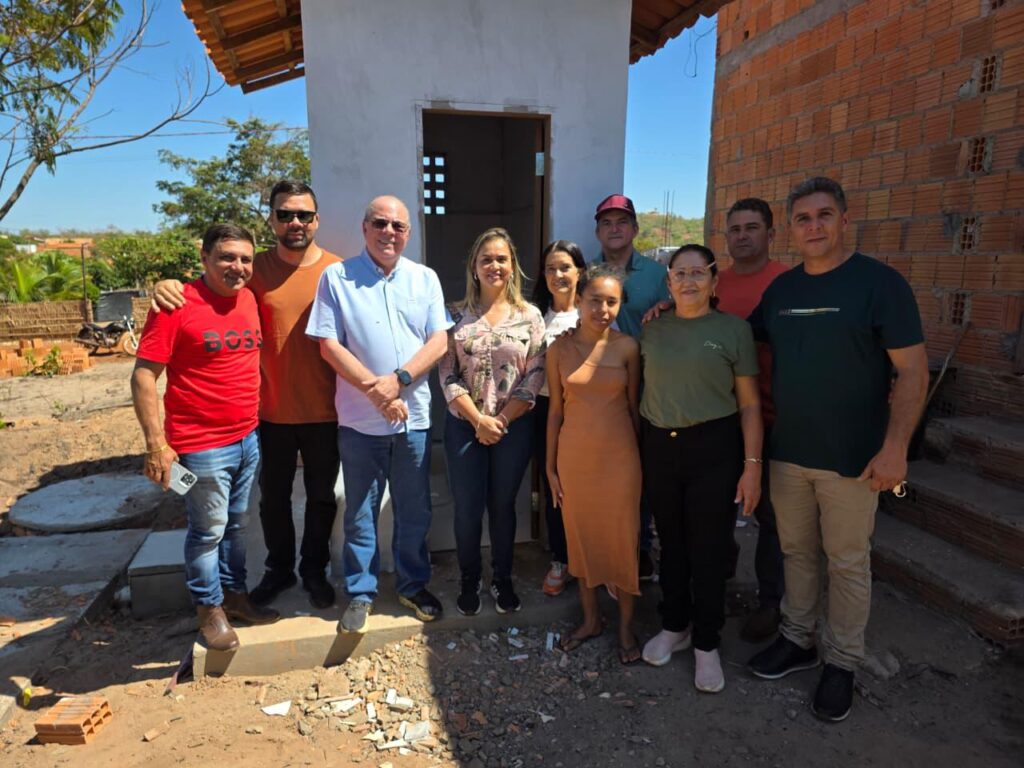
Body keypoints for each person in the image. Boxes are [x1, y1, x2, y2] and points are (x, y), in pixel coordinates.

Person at [746, 177, 928, 722]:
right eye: (803, 218)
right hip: (789, 451)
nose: (814, 226)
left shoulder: (880, 284)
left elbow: (913, 372)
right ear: (791, 229)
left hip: (853, 457)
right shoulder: (782, 291)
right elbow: (739, 338)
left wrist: (896, 448)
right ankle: (798, 639)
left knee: (847, 562)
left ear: (845, 220)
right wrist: (674, 307)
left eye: (824, 215)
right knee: (797, 553)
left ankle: (843, 661)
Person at [153, 180, 343, 611]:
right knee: (272, 501)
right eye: (285, 214)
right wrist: (166, 285)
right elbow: (207, 288)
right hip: (267, 415)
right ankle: (279, 570)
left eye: (303, 215)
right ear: (271, 219)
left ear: (317, 220)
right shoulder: (252, 270)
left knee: (321, 498)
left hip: (326, 410)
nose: (295, 222)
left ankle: (314, 570)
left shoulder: (338, 271)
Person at [306, 195, 451, 633]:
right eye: (380, 223)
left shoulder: (424, 278)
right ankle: (360, 591)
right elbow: (328, 345)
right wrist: (377, 390)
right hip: (359, 422)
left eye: (398, 225)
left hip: (413, 420)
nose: (389, 232)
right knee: (360, 511)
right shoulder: (337, 277)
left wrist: (399, 380)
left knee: (414, 510)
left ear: (408, 233)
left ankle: (412, 585)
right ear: (365, 227)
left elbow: (439, 341)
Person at [131, 224, 280, 652]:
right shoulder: (176, 305)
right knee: (207, 531)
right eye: (227, 257)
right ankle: (208, 610)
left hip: (248, 437)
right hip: (201, 446)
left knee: (237, 526)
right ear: (204, 257)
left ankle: (235, 596)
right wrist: (156, 445)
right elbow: (143, 377)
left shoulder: (248, 299)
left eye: (245, 259)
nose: (238, 267)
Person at [639, 244, 763, 693]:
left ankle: (707, 641)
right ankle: (675, 625)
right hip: (659, 444)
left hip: (714, 446)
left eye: (698, 272)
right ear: (668, 282)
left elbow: (749, 405)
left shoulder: (733, 330)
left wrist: (752, 467)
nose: (689, 281)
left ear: (714, 280)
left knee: (709, 547)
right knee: (671, 543)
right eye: (680, 273)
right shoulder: (652, 327)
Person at [439, 227, 546, 616]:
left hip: (512, 427)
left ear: (512, 266)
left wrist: (499, 419)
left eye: (502, 258)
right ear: (474, 266)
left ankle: (502, 578)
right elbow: (447, 373)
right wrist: (478, 420)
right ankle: (470, 578)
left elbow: (536, 373)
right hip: (464, 426)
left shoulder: (530, 316)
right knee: (468, 507)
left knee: (502, 505)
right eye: (486, 259)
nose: (494, 265)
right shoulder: (453, 314)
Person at [546, 264, 642, 663]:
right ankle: (590, 621)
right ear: (579, 300)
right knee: (580, 540)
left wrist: (643, 460)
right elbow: (555, 412)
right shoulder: (558, 349)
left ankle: (625, 628)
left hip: (620, 459)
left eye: (611, 302)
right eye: (595, 300)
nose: (603, 309)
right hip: (574, 460)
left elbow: (634, 408)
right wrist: (550, 468)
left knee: (623, 541)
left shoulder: (628, 347)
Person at [720, 198, 789, 641]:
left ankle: (770, 602)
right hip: (722, 417)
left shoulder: (789, 284)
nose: (742, 236)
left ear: (770, 234)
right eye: (735, 229)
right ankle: (720, 580)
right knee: (716, 508)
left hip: (776, 417)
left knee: (771, 516)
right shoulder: (714, 284)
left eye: (752, 227)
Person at [592, 193, 669, 582]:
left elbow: (675, 323)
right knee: (605, 474)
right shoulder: (586, 274)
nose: (615, 229)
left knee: (640, 474)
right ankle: (603, 549)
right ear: (597, 232)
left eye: (622, 222)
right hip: (599, 394)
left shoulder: (657, 275)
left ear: (635, 229)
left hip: (646, 391)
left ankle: (639, 550)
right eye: (606, 223)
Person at [530, 240, 585, 597]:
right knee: (553, 486)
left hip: (585, 412)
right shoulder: (535, 315)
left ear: (580, 271)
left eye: (565, 267)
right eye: (550, 268)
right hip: (544, 411)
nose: (557, 275)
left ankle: (591, 558)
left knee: (586, 488)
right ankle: (561, 558)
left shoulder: (594, 312)